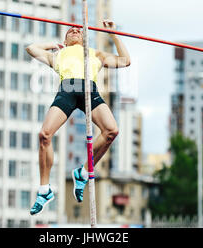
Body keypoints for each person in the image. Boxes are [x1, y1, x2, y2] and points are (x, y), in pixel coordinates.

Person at [26, 20, 131, 215]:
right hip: (67, 90)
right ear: (64, 40)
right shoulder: (57, 56)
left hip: (89, 90)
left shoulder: (94, 54)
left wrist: (113, 34)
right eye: (70, 30)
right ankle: (44, 190)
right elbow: (31, 48)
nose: (75, 30)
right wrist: (53, 45)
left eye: (79, 30)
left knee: (112, 131)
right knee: (44, 135)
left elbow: (125, 60)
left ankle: (82, 173)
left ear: (85, 39)